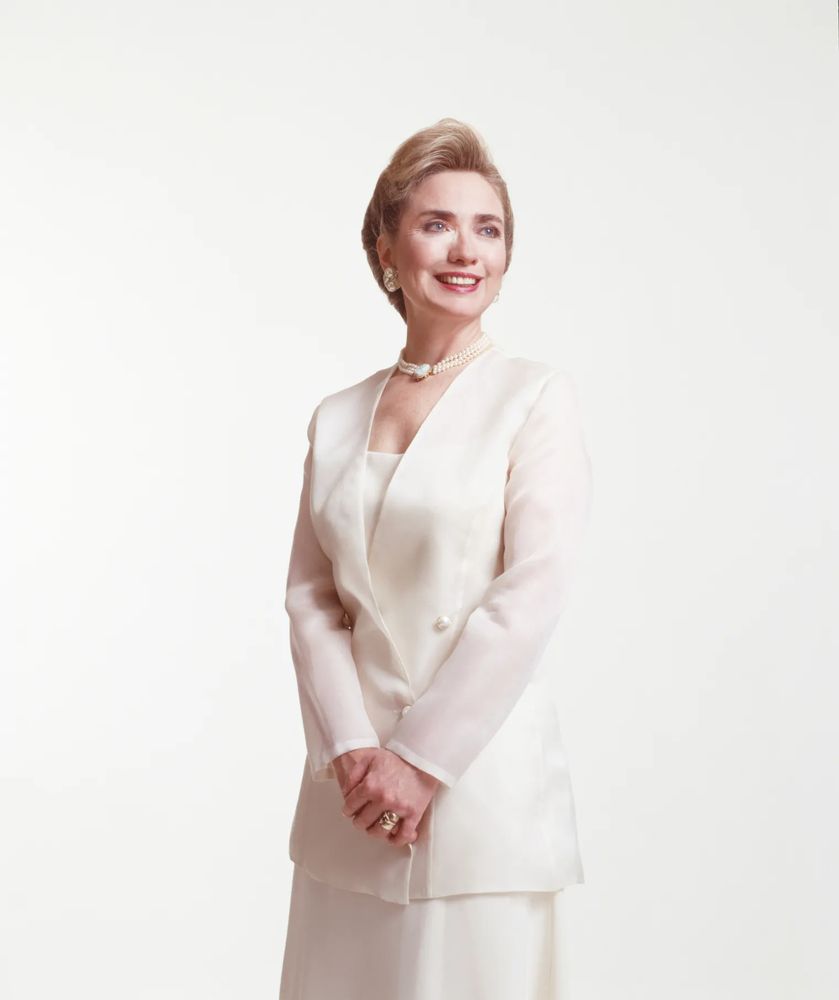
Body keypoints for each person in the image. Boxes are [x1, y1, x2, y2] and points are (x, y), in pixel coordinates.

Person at [279, 117, 593, 999]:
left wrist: (417, 762)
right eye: (436, 223)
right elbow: (311, 600)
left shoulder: (533, 397)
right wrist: (352, 752)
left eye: (488, 228)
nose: (467, 250)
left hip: (476, 788)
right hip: (351, 800)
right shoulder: (336, 416)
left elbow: (530, 590)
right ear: (385, 246)